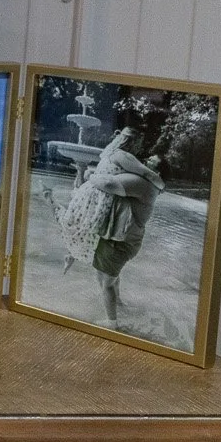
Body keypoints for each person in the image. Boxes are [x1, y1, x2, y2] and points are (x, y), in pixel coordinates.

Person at [91, 138, 165, 322]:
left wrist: (90, 176)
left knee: (104, 282)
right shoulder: (149, 184)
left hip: (120, 240)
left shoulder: (144, 183)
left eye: (151, 162)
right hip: (126, 239)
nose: (146, 161)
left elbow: (108, 184)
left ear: (157, 171)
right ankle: (120, 305)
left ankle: (112, 324)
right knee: (112, 275)